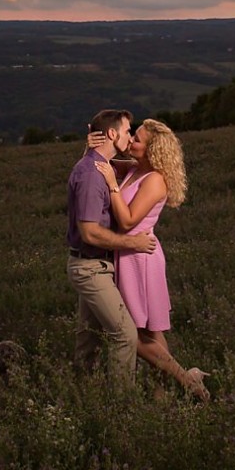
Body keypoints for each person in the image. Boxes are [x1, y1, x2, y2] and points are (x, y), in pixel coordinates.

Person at [93, 117, 209, 402]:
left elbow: (127, 221)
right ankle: (163, 393)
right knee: (150, 332)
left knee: (132, 332)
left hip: (140, 260)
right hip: (130, 255)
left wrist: (112, 186)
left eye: (137, 139)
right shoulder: (135, 169)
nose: (131, 140)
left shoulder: (155, 179)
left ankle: (187, 381)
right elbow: (101, 161)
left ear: (153, 150)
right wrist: (97, 145)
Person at [66, 108, 156, 377]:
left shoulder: (102, 167)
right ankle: (121, 408)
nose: (130, 138)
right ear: (112, 133)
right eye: (128, 131)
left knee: (88, 340)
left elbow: (143, 168)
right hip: (91, 268)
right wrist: (134, 244)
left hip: (96, 264)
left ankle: (82, 394)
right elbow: (90, 233)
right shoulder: (93, 175)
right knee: (125, 335)